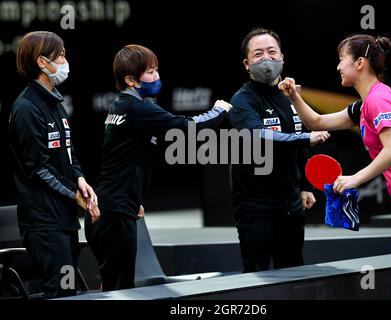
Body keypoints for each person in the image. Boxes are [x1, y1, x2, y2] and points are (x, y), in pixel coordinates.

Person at [279, 34, 391, 300]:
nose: (338, 67)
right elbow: (317, 122)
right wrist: (295, 96)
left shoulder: (379, 100)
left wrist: (355, 179)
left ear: (360, 63)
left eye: (342, 60)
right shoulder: (366, 105)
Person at [84, 44, 233, 291]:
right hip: (114, 218)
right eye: (150, 72)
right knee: (119, 291)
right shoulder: (138, 109)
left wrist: (132, 198)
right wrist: (219, 111)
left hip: (112, 210)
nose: (157, 77)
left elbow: (122, 162)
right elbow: (187, 128)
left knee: (113, 287)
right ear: (131, 80)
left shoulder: (120, 106)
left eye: (157, 70)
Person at [228, 27, 330, 273]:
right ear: (246, 63)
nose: (266, 59)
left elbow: (296, 141)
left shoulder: (291, 96)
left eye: (272, 52)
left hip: (291, 203)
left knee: (293, 271)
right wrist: (306, 138)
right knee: (257, 274)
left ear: (282, 57)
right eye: (258, 54)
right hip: (255, 206)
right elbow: (261, 137)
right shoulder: (241, 101)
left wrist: (304, 185)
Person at [8, 31, 100, 298]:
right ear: (41, 62)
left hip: (64, 219)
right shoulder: (26, 108)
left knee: (68, 290)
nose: (64, 60)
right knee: (61, 291)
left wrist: (81, 179)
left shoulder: (56, 103)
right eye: (59, 55)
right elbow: (37, 168)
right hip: (44, 223)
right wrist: (73, 194)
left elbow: (69, 156)